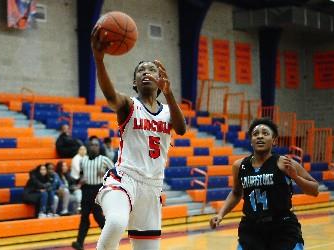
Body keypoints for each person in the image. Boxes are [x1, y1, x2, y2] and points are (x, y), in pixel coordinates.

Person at [91, 25, 186, 250]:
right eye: (141, 70)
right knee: (115, 222)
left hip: (152, 187)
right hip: (124, 180)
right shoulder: (129, 105)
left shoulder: (167, 111)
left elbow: (181, 129)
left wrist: (170, 94)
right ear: (135, 82)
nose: (146, 72)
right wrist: (99, 60)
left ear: (160, 80)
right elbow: (111, 95)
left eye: (151, 69)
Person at [209, 118, 319, 250]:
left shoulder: (284, 163)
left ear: (274, 140)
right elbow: (236, 193)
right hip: (251, 229)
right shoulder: (239, 166)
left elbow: (315, 190)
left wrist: (295, 177)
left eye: (265, 133)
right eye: (255, 134)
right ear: (251, 141)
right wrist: (220, 214)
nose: (260, 136)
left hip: (282, 227)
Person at [71, 136, 115, 250]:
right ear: (88, 146)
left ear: (99, 147)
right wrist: (81, 180)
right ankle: (79, 243)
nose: (94, 147)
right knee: (84, 216)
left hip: (98, 190)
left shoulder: (103, 159)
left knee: (98, 216)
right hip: (86, 189)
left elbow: (116, 172)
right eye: (92, 145)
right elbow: (80, 174)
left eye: (96, 145)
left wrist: (105, 173)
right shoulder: (83, 160)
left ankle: (110, 239)